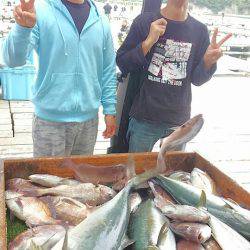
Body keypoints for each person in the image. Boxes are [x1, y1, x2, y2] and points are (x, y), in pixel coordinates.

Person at [2, 0, 117, 157]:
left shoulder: (101, 17)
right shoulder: (40, 10)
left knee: (81, 180)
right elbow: (12, 60)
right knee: (46, 179)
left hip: (88, 121)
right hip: (49, 122)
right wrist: (23, 28)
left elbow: (108, 68)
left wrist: (110, 110)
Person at [116, 0, 231, 153]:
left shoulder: (200, 30)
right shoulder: (145, 22)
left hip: (179, 121)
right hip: (144, 117)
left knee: (172, 175)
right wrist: (148, 42)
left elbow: (197, 80)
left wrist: (207, 63)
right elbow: (123, 62)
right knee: (137, 172)